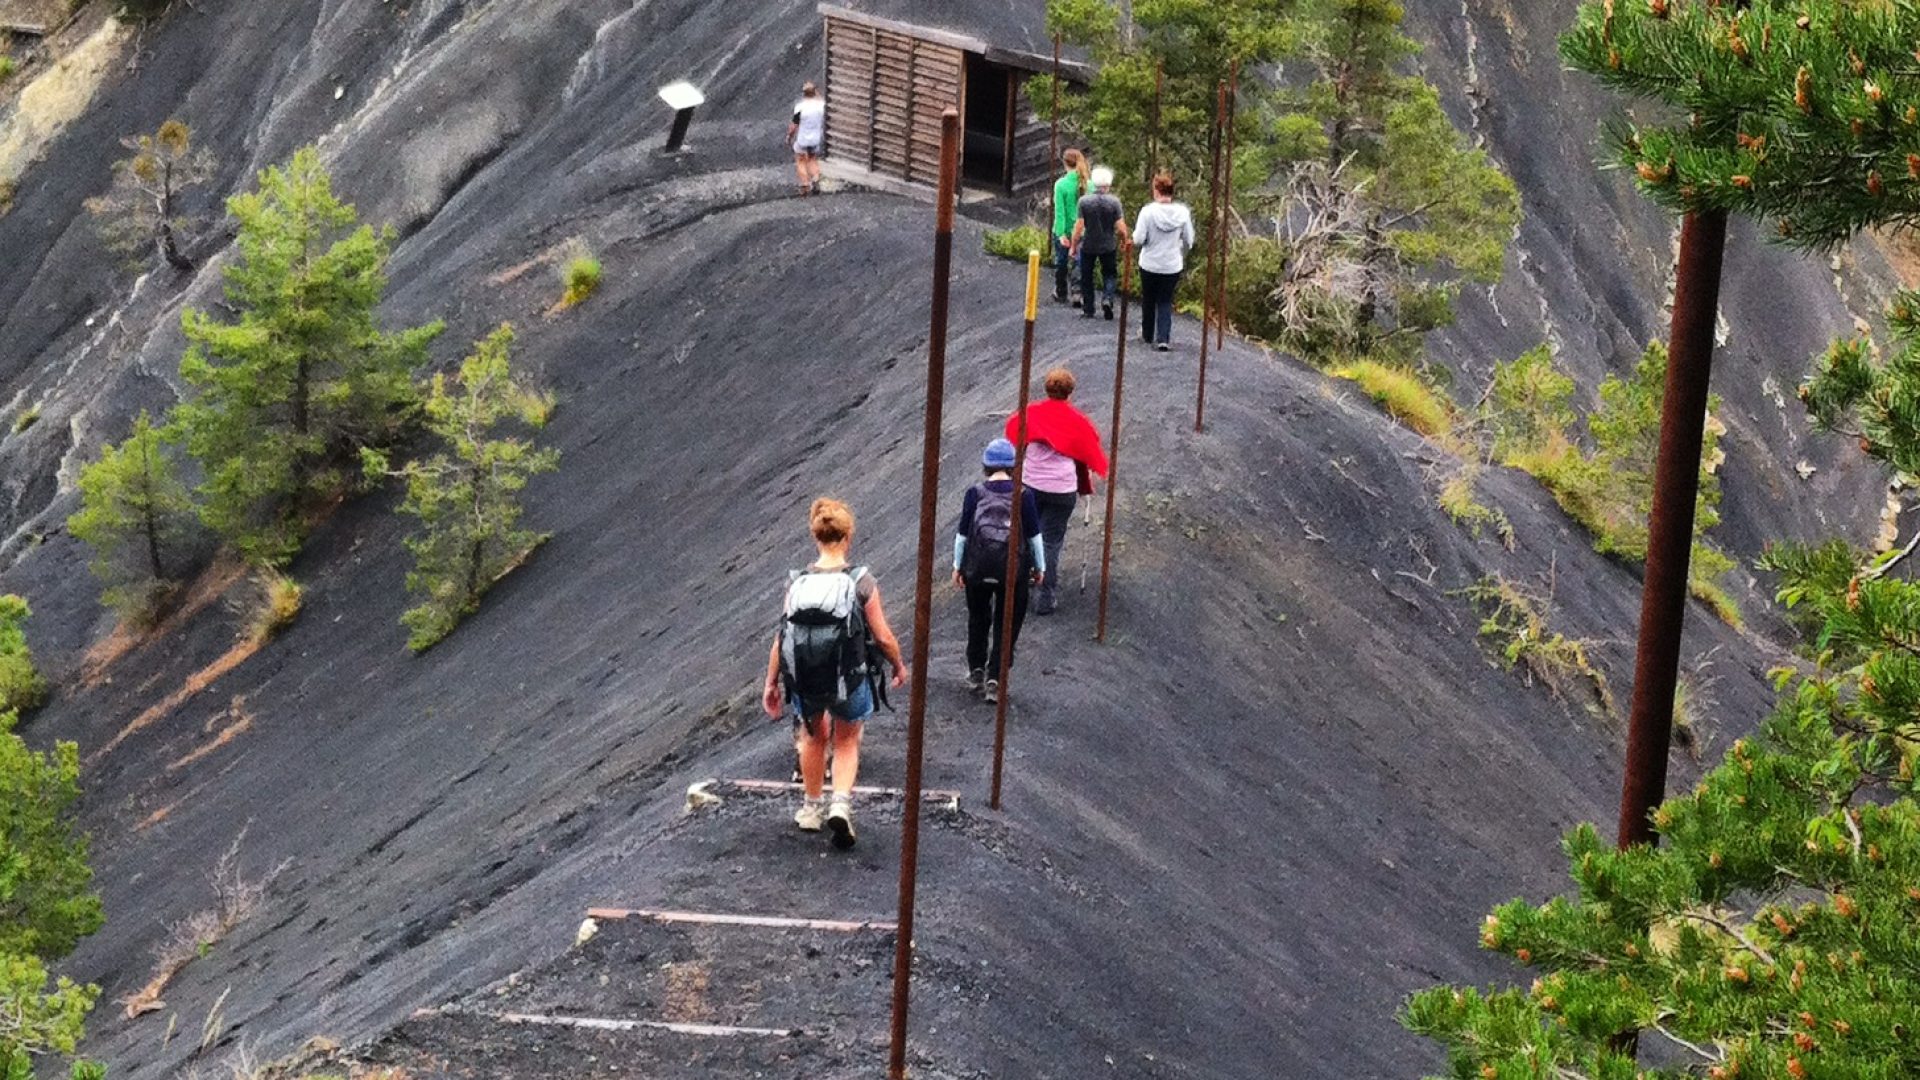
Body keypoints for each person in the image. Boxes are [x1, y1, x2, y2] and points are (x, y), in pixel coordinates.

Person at [762, 498, 907, 849]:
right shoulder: (860, 581)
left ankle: (811, 808)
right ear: (848, 537)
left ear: (816, 537)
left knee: (813, 737)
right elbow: (884, 636)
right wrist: (899, 666)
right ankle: (840, 803)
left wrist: (771, 682)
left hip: (806, 678)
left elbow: (782, 637)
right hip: (850, 676)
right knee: (846, 739)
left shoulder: (797, 582)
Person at [1004, 368, 1109, 615]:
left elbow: (1012, 434)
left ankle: (1019, 589)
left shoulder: (1031, 413)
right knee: (1051, 541)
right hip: (1062, 489)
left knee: (1025, 535)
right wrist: (1085, 485)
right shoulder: (1078, 422)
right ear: (1070, 392)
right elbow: (1089, 455)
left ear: (1047, 389)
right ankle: (1045, 596)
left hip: (1030, 485)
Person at [953, 438, 1046, 704]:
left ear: (986, 465)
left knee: (978, 619)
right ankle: (996, 677)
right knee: (1007, 624)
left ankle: (976, 671)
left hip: (977, 569)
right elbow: (1034, 537)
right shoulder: (1023, 495)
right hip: (1013, 572)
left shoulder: (975, 493)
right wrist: (1039, 567)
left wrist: (958, 566)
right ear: (1014, 466)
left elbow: (962, 534)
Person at [1133, 173, 1195, 352]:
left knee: (1149, 298)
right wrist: (1180, 250)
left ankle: (1147, 333)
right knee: (1165, 300)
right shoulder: (1182, 213)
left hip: (1150, 262)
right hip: (1172, 264)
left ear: (1156, 190)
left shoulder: (1148, 212)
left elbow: (1138, 238)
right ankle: (1163, 338)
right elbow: (1189, 239)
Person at [1070, 166, 1129, 321]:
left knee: (1086, 276)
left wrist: (1073, 245)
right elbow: (1121, 227)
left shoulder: (1084, 202)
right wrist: (1124, 241)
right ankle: (1107, 299)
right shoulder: (1114, 202)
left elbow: (1079, 226)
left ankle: (1089, 308)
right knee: (1110, 274)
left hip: (1089, 244)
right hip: (1108, 245)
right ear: (1108, 184)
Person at [1050, 150, 1091, 305]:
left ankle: (1061, 291)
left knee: (1061, 261)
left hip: (1065, 229)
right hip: (1082, 230)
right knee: (1078, 262)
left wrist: (1061, 233)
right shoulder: (1089, 185)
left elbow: (1059, 212)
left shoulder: (1061, 184)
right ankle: (1077, 292)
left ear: (1065, 163)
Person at [789, 82, 826, 196]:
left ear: (804, 93)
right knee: (812, 159)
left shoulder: (800, 107)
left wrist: (789, 136)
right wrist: (817, 93)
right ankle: (815, 178)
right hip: (815, 139)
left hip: (803, 139)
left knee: (800, 160)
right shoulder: (821, 106)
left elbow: (794, 125)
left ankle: (805, 183)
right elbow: (822, 101)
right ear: (814, 92)